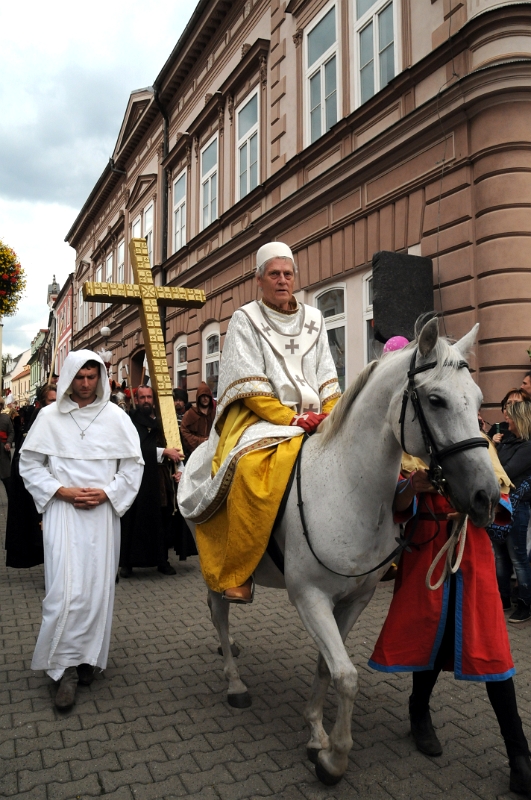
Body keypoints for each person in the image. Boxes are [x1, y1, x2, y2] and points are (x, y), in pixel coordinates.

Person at [179, 241, 341, 603]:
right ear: (259, 279)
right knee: (250, 466)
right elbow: (248, 383)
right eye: (274, 274)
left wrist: (331, 412)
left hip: (315, 414)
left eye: (288, 274)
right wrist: (292, 417)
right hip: (260, 415)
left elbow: (328, 375)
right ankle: (239, 569)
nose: (282, 281)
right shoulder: (245, 318)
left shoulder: (315, 319)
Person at [369, 449, 531, 797]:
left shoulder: (479, 445)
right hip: (427, 553)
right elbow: (392, 505)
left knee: (493, 652)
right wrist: (412, 486)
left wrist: (481, 511)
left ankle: (519, 755)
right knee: (432, 637)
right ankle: (419, 712)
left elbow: (501, 499)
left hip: (472, 554)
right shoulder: (408, 447)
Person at [19, 351, 144, 711]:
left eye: (92, 377)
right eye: (80, 377)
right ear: (70, 378)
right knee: (62, 591)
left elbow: (132, 467)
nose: (86, 384)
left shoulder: (116, 418)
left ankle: (86, 658)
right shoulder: (48, 416)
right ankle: (63, 669)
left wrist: (107, 492)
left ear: (100, 378)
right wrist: (62, 491)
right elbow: (30, 464)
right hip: (63, 512)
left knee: (96, 590)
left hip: (102, 516)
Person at [119, 385, 183, 578]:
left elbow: (175, 447)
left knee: (161, 519)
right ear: (136, 400)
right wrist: (163, 452)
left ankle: (161, 560)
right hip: (137, 479)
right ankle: (127, 563)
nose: (146, 401)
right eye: (142, 398)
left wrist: (180, 469)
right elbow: (133, 450)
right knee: (133, 520)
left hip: (160, 479)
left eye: (149, 397)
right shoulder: (130, 422)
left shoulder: (163, 423)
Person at [5, 384, 57, 569]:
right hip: (44, 489)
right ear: (42, 404)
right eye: (51, 400)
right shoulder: (34, 427)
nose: (55, 404)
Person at [492, 396, 531, 622]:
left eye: (510, 417)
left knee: (517, 557)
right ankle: (503, 599)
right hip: (501, 506)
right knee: (501, 556)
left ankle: (524, 604)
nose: (506, 420)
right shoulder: (507, 441)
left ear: (521, 419)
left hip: (517, 507)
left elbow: (506, 471)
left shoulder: (527, 446)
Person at [180, 382, 215, 458]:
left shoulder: (214, 413)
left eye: (207, 396)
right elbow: (184, 430)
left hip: (212, 452)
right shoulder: (191, 413)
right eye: (202, 396)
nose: (205, 398)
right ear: (198, 398)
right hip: (195, 453)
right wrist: (200, 440)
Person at [0, 399, 14, 497]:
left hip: (2, 452)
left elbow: (11, 432)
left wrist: (8, 443)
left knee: (7, 480)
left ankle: (12, 501)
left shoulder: (5, 418)